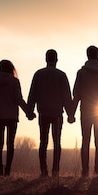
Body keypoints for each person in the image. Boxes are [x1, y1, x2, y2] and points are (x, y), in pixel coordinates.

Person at [27, 49, 75, 178]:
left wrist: (29, 111)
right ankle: (55, 171)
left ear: (46, 59)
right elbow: (66, 96)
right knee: (57, 142)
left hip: (43, 112)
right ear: (56, 60)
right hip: (57, 113)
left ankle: (44, 171)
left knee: (43, 142)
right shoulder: (61, 75)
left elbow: (33, 94)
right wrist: (70, 113)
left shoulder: (38, 74)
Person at [0, 60, 36, 177]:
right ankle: (8, 170)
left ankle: (0, 171)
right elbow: (19, 99)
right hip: (12, 116)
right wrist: (29, 112)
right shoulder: (14, 82)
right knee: (10, 144)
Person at [71, 45, 98, 176]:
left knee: (85, 140)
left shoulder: (81, 72)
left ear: (87, 55)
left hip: (86, 110)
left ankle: (85, 171)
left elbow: (76, 93)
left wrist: (71, 113)